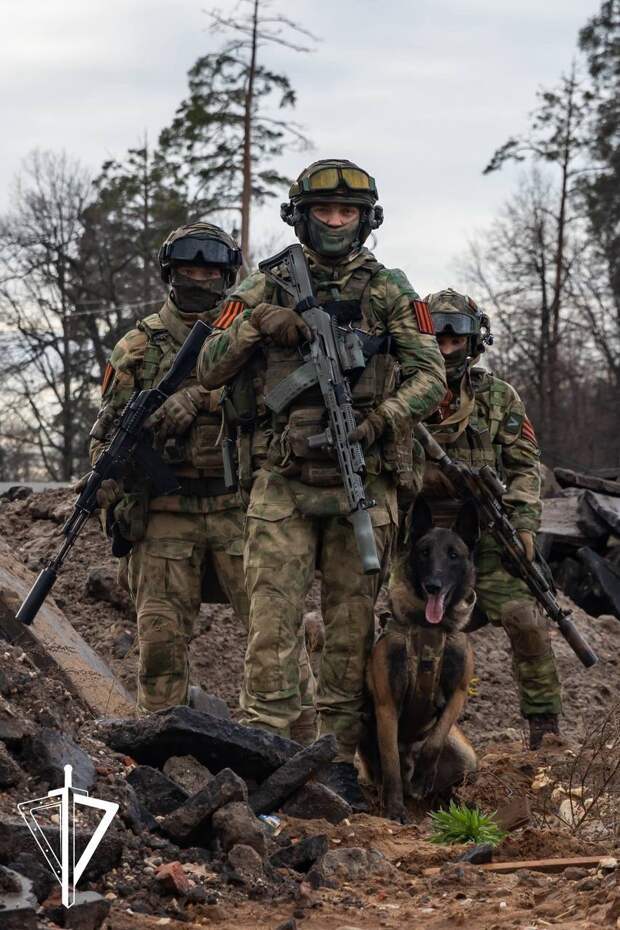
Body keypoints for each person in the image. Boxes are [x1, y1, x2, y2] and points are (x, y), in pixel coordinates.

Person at [196, 159, 447, 807]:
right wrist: (258, 323)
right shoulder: (264, 282)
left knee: (350, 630)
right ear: (301, 217)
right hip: (283, 481)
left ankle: (335, 762)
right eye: (324, 211)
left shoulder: (389, 289)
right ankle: (265, 752)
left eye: (347, 212)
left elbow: (431, 377)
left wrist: (381, 419)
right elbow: (208, 367)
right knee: (270, 625)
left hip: (362, 479)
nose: (335, 222)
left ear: (366, 219)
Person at [89, 223, 273, 716]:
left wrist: (201, 396)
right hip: (165, 512)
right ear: (170, 273)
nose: (198, 279)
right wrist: (105, 477)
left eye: (209, 272)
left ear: (227, 276)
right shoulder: (138, 346)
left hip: (240, 507)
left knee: (275, 641)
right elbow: (105, 431)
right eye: (188, 270)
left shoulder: (247, 337)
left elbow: (274, 400)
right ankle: (161, 743)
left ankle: (295, 744)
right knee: (160, 648)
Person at [420, 288, 561, 749]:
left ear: (473, 341)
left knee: (526, 618)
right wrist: (424, 479)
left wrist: (523, 525)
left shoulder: (497, 396)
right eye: (438, 338)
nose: (446, 348)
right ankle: (412, 733)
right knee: (406, 635)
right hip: (419, 541)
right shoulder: (405, 392)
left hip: (486, 535)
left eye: (455, 338)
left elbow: (524, 467)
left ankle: (544, 731)